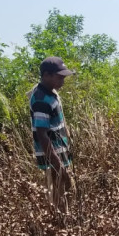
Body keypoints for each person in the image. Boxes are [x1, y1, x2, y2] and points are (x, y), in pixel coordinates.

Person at [29, 56, 75, 212]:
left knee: (64, 192)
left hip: (59, 153)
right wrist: (58, 165)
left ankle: (65, 223)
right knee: (57, 196)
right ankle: (60, 227)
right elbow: (42, 135)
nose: (63, 80)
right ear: (46, 75)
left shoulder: (51, 92)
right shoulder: (41, 100)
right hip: (52, 159)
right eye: (59, 77)